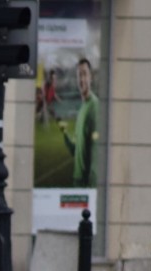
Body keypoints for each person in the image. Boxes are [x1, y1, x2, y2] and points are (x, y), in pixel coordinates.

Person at [59, 58, 100, 188]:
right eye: (79, 75)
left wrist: (91, 187)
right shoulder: (82, 109)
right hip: (77, 180)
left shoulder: (94, 106)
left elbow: (96, 152)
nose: (82, 79)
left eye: (84, 74)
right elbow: (75, 150)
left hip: (86, 183)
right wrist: (65, 134)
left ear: (91, 77)